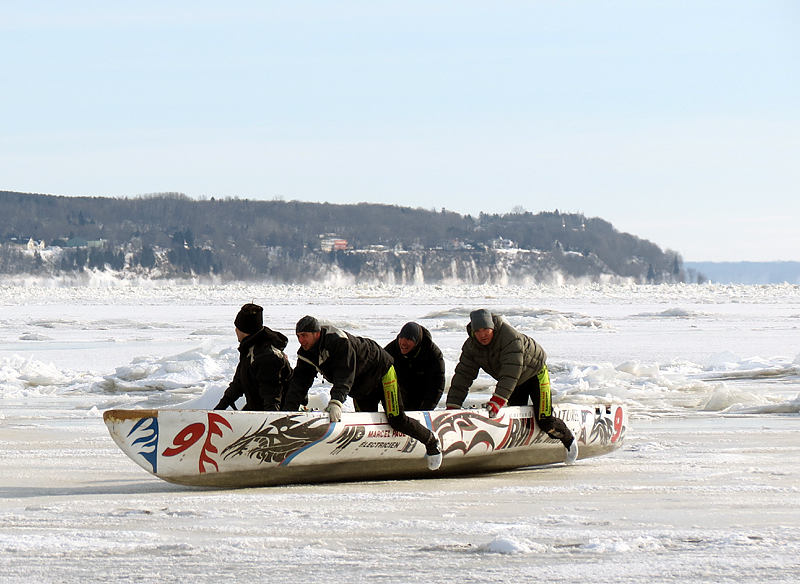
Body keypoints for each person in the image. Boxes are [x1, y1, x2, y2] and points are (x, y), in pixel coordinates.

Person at [282, 315, 443, 470]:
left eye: (304, 335)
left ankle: (431, 441)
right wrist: (286, 415)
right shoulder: (306, 353)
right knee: (365, 423)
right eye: (298, 336)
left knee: (396, 419)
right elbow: (298, 385)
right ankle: (372, 459)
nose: (301, 340)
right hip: (360, 386)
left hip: (381, 372)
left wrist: (336, 402)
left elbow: (344, 375)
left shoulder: (338, 341)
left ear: (317, 334)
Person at [445, 308, 579, 465]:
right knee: (517, 421)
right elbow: (463, 376)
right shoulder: (471, 347)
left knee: (545, 421)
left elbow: (511, 371)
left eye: (486, 330)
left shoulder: (510, 338)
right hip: (515, 381)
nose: (482, 335)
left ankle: (569, 440)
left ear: (493, 328)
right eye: (478, 331)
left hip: (535, 374)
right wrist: (453, 406)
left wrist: (497, 401)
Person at [214, 303, 293, 411]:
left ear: (244, 330)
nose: (235, 331)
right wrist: (219, 409)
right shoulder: (249, 350)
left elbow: (272, 397)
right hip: (258, 411)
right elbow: (238, 384)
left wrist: (270, 422)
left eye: (237, 327)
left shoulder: (266, 356)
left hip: (278, 415)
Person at [383, 322, 445, 411]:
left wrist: (425, 411)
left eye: (408, 339)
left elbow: (436, 387)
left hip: (422, 396)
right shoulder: (391, 351)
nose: (403, 343)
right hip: (399, 397)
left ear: (416, 340)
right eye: (401, 338)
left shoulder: (432, 354)